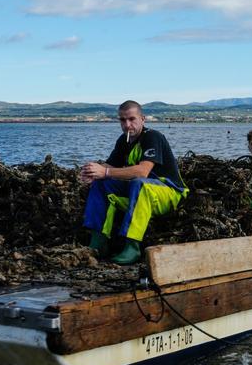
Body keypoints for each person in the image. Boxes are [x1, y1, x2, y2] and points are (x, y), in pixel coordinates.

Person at [80, 100, 187, 265]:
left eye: (132, 119)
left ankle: (132, 246)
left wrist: (106, 172)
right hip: (139, 192)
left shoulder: (153, 137)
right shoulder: (124, 140)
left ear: (143, 119)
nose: (127, 125)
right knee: (101, 184)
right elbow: (110, 165)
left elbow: (143, 171)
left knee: (139, 183)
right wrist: (93, 172)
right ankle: (98, 242)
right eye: (122, 120)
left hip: (169, 192)